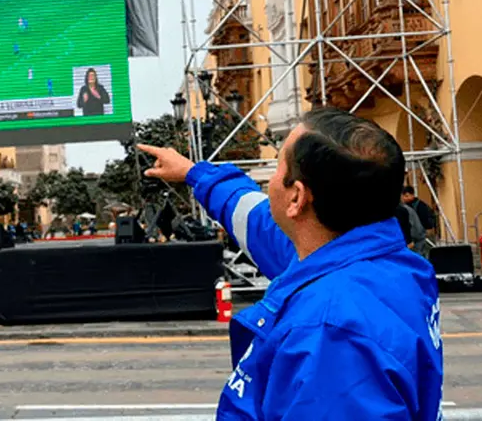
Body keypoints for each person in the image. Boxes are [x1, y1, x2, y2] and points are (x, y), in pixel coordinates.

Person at [139, 107, 443, 420]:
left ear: (296, 198)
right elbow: (254, 218)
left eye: (276, 167)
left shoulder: (331, 334)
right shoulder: (376, 262)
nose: (270, 182)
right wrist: (194, 173)